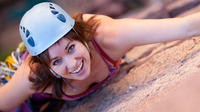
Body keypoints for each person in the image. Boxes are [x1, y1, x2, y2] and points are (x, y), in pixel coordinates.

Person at [1, 2, 200, 111]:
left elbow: (184, 27)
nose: (72, 65)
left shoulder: (108, 36)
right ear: (47, 66)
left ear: (80, 35)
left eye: (71, 48)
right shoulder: (35, 75)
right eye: (57, 61)